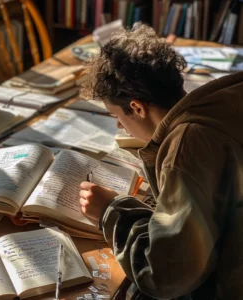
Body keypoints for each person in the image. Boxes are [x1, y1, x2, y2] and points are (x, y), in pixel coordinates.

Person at [79, 24, 243, 300]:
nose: (121, 127)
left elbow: (164, 276)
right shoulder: (222, 101)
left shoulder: (186, 149)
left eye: (117, 117)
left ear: (138, 108)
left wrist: (110, 210)